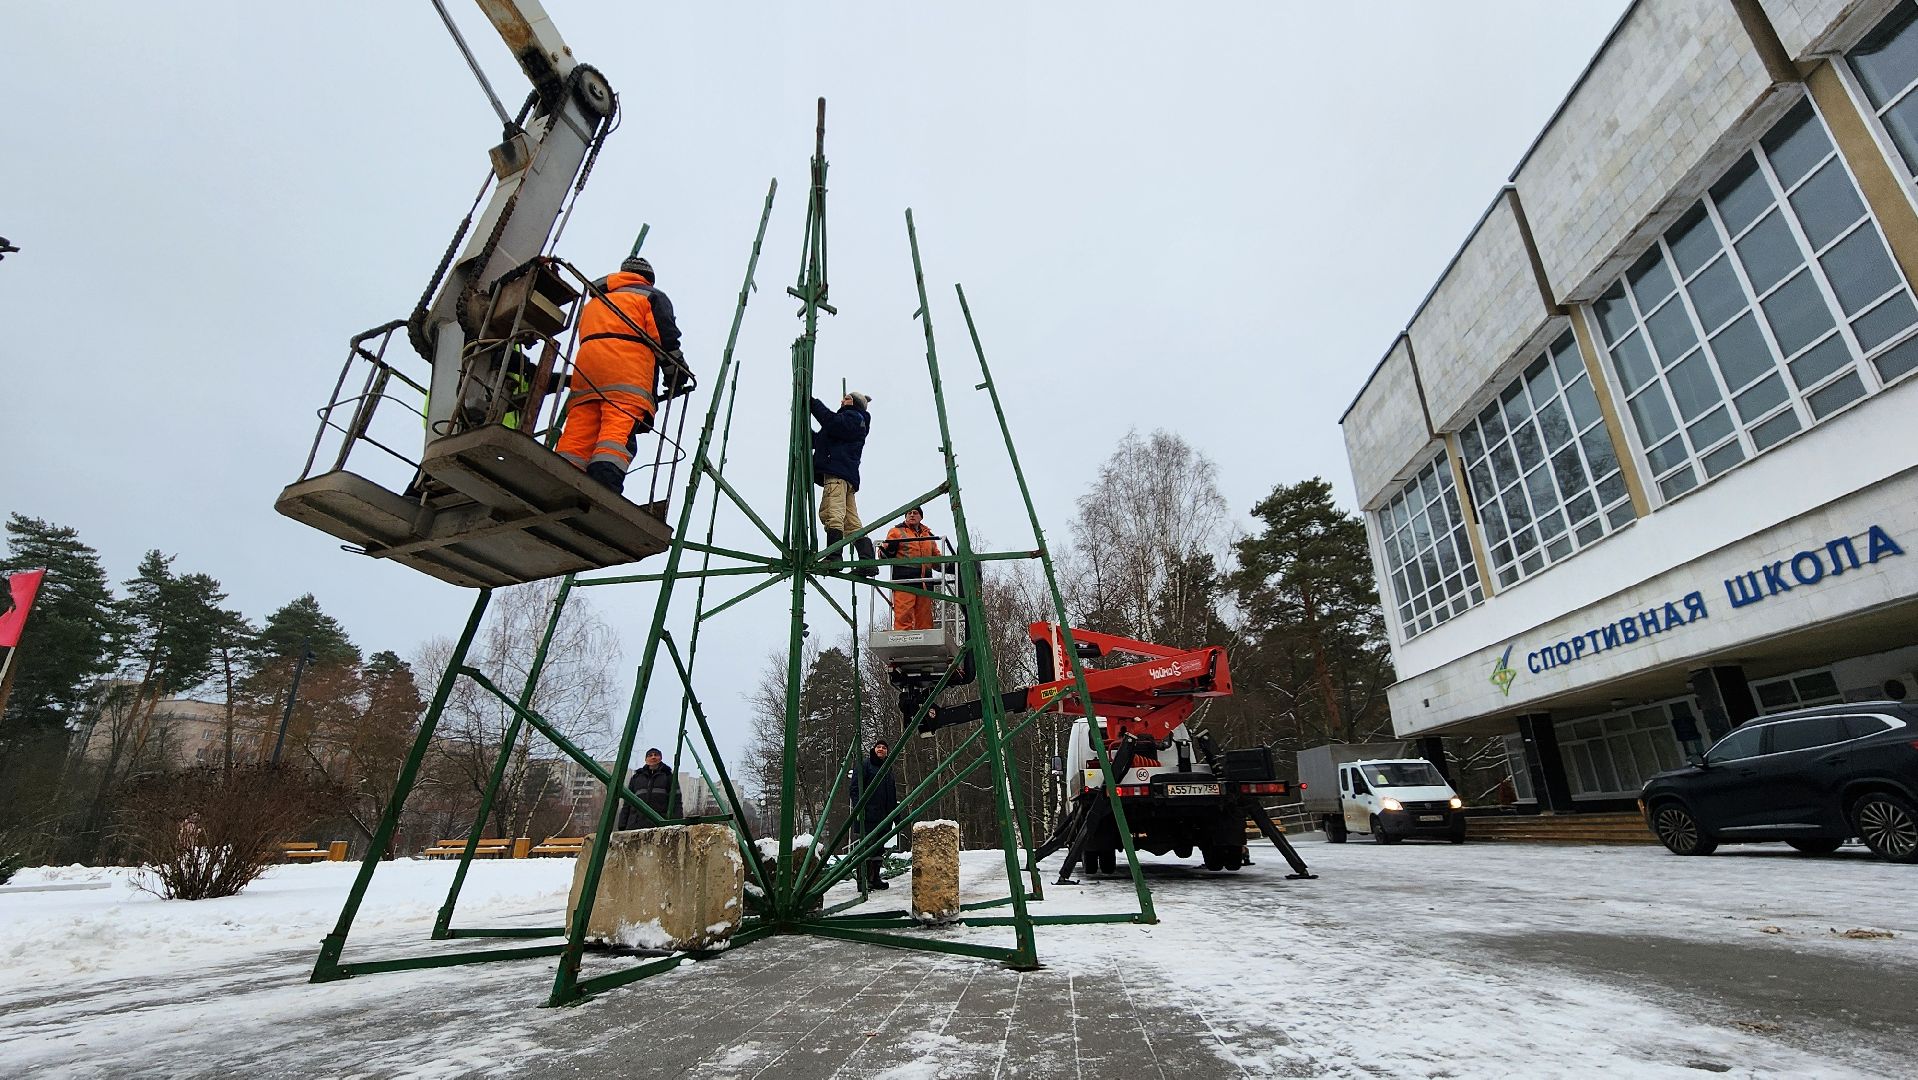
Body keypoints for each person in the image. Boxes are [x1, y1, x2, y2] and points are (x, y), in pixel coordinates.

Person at [556, 256, 684, 494]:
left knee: (577, 436)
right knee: (614, 436)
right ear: (648, 279)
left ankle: (558, 482)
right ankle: (603, 490)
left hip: (587, 375)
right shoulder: (650, 296)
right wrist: (675, 375)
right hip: (626, 376)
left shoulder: (595, 302)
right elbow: (666, 340)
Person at [811, 392, 877, 576]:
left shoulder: (854, 418)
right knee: (851, 522)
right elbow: (822, 440)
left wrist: (812, 403)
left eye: (846, 398)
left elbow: (831, 421)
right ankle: (867, 561)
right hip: (845, 476)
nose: (842, 401)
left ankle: (834, 556)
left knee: (832, 512)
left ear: (854, 403)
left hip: (837, 474)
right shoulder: (850, 423)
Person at [847, 740, 898, 889]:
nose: (881, 749)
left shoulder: (887, 769)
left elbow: (891, 794)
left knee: (879, 849)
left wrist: (895, 815)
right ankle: (863, 881)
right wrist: (860, 808)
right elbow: (855, 789)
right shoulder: (865, 766)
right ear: (874, 750)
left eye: (884, 748)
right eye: (878, 747)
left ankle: (875, 878)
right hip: (868, 816)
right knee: (866, 848)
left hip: (884, 816)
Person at [880, 506, 941, 631]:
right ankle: (902, 644)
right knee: (903, 615)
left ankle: (925, 646)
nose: (912, 515)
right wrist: (886, 549)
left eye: (915, 513)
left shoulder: (928, 535)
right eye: (909, 513)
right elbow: (884, 554)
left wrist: (952, 566)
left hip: (925, 583)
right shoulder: (896, 532)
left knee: (925, 619)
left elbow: (937, 559)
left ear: (921, 517)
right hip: (904, 581)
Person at [616, 747, 680, 829]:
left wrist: (676, 823)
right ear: (646, 759)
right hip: (635, 824)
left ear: (660, 758)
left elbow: (676, 802)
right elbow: (627, 803)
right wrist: (622, 825)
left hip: (659, 824)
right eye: (650, 755)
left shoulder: (669, 777)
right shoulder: (636, 778)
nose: (653, 757)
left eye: (656, 755)